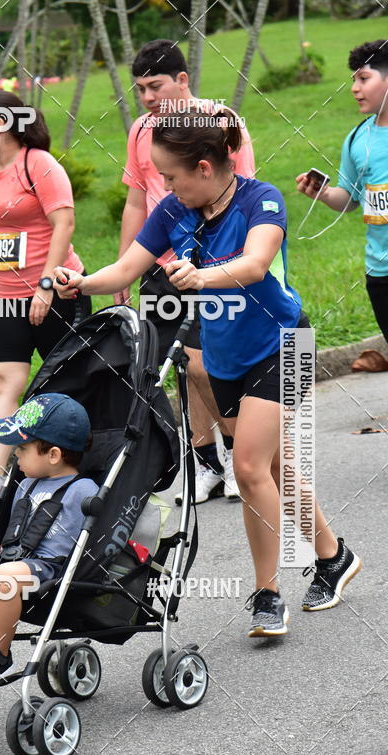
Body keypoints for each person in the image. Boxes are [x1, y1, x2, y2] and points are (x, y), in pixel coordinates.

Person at [55, 110, 362, 639]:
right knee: (274, 465)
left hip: (285, 343)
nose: (165, 187)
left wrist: (202, 275)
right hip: (225, 358)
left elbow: (256, 264)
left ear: (203, 167)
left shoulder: (260, 198)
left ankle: (267, 594)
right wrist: (79, 282)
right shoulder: (176, 209)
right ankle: (334, 556)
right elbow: (127, 268)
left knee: (247, 468)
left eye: (171, 177)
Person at [117, 40, 256, 505]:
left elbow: (241, 193)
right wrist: (122, 274)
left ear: (183, 79)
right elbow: (137, 202)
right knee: (178, 366)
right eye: (140, 89)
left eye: (155, 86)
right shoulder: (141, 131)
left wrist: (229, 261)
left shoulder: (222, 123)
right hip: (161, 266)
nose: (148, 97)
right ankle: (205, 462)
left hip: (214, 264)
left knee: (203, 363)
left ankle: (239, 455)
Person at [0, 90, 90, 512]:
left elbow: (63, 222)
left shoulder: (39, 164)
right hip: (1, 296)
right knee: (1, 382)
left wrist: (45, 284)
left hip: (56, 290)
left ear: (2, 125)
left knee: (72, 381)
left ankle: (90, 462)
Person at [0, 393, 97, 686]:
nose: (15, 455)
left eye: (22, 449)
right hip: (11, 561)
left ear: (53, 455)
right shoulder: (24, 484)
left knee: (5, 576)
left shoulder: (83, 490)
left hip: (48, 568)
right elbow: (13, 530)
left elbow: (98, 535)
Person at [296, 39, 388, 344]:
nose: (354, 88)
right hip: (380, 272)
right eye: (354, 81)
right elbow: (349, 199)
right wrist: (322, 193)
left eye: (364, 78)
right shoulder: (357, 139)